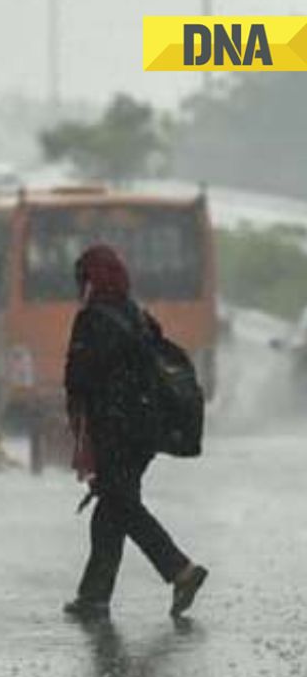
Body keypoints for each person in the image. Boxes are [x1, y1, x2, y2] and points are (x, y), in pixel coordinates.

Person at [62, 244, 208, 620]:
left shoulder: (92, 320)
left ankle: (180, 569)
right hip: (146, 430)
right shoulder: (136, 315)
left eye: (82, 279)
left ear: (91, 280)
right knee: (112, 506)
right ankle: (94, 597)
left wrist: (78, 424)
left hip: (114, 429)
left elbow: (79, 378)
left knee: (122, 505)